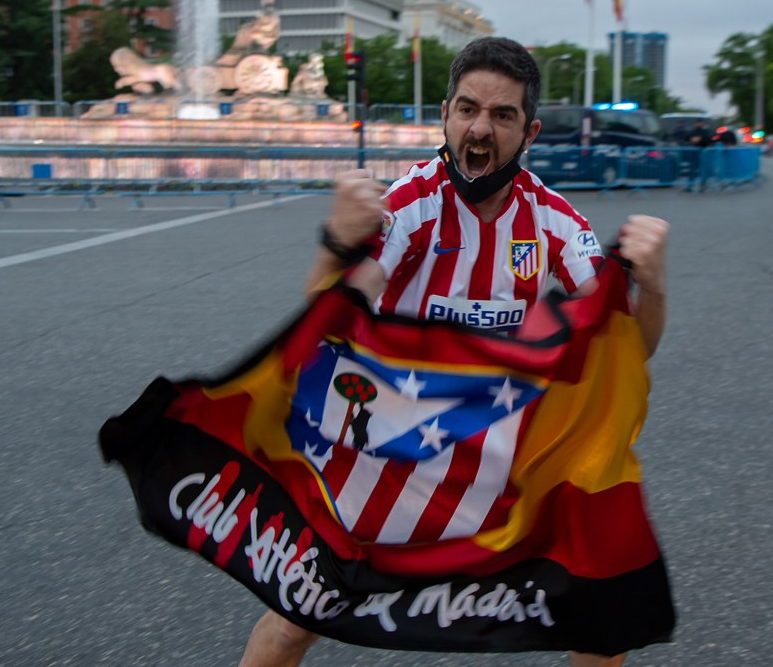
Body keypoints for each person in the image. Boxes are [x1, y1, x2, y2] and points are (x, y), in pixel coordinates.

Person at [240, 37, 669, 667]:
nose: (480, 127)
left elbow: (631, 350)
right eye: (468, 109)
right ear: (445, 114)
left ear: (530, 131)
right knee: (293, 622)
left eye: (502, 115)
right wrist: (335, 241)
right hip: (394, 447)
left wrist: (652, 284)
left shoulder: (552, 221)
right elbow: (322, 321)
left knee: (599, 615)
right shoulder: (409, 207)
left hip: (496, 452)